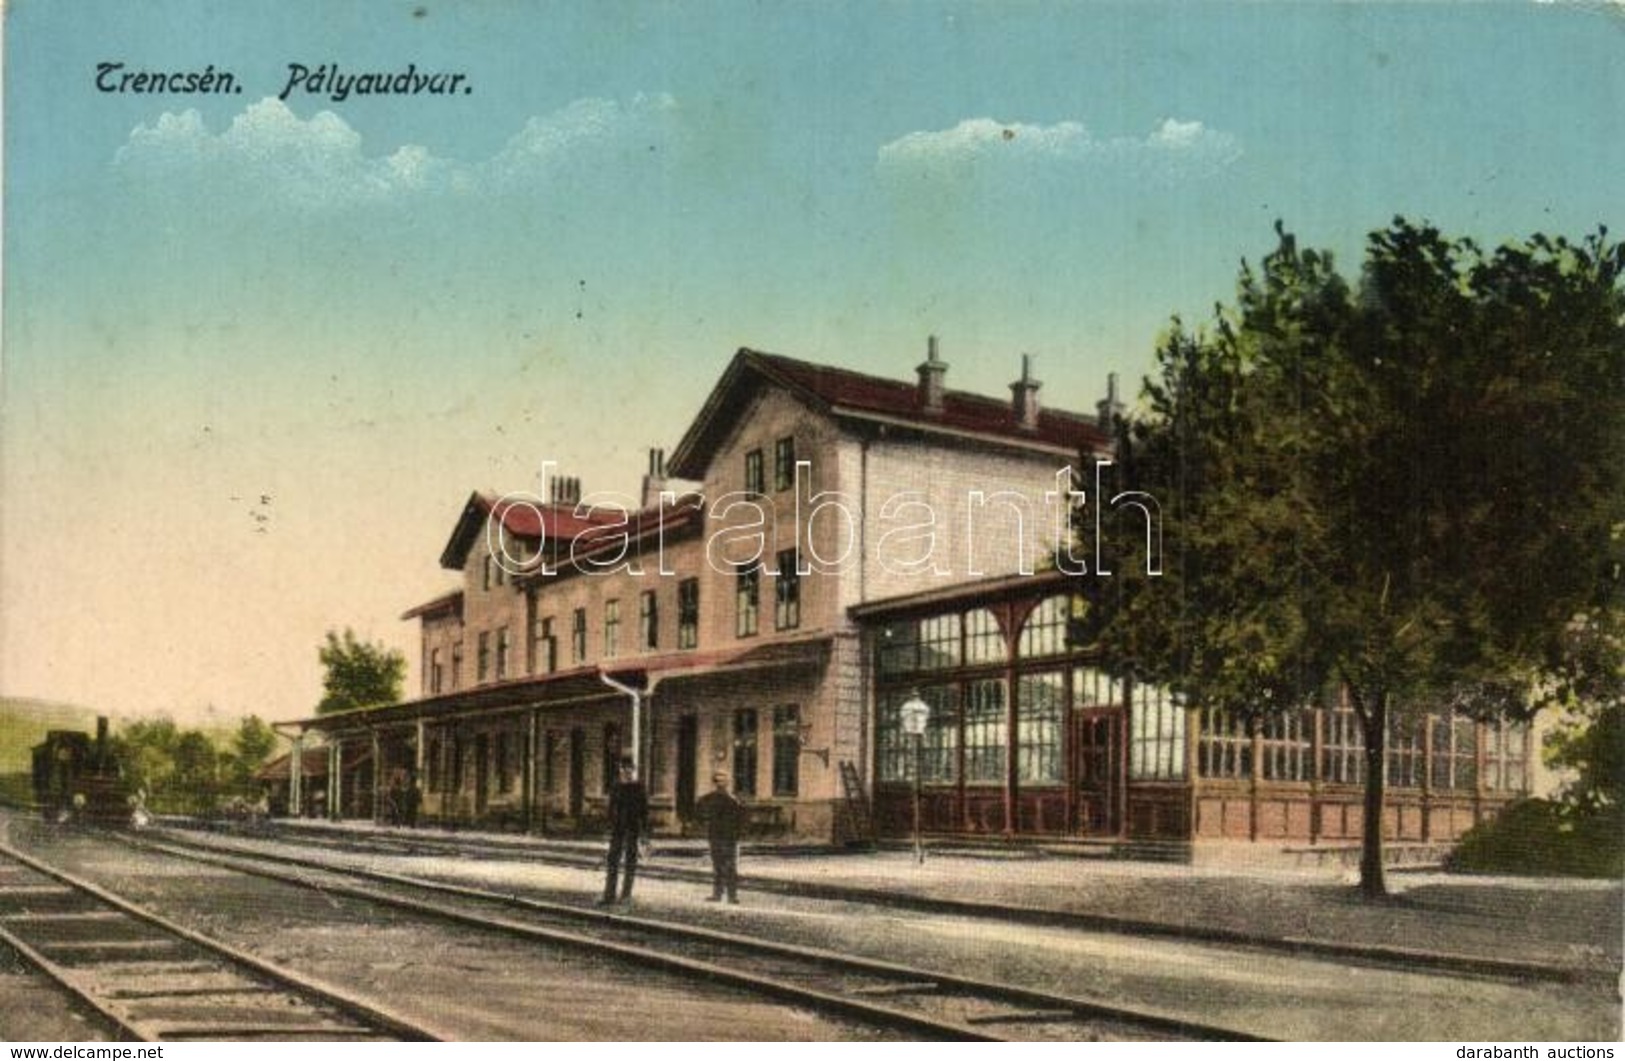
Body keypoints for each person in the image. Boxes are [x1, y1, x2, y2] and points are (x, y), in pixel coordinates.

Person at [600, 756, 648, 906]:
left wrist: (644, 833)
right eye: (624, 769)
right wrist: (609, 827)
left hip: (632, 829)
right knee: (612, 861)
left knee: (630, 862)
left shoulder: (638, 788)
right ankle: (609, 895)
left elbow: (644, 811)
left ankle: (626, 895)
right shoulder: (616, 787)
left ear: (632, 770)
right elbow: (611, 809)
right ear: (620, 770)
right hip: (617, 829)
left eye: (629, 769)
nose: (627, 772)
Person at [694, 770, 747, 903]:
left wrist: (738, 833)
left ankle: (731, 895)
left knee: (731, 867)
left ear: (727, 782)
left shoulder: (733, 799)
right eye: (718, 781)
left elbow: (742, 818)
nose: (720, 783)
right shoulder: (710, 798)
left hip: (730, 838)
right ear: (714, 783)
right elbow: (698, 811)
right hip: (716, 836)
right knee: (718, 866)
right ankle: (717, 894)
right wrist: (705, 822)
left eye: (723, 780)